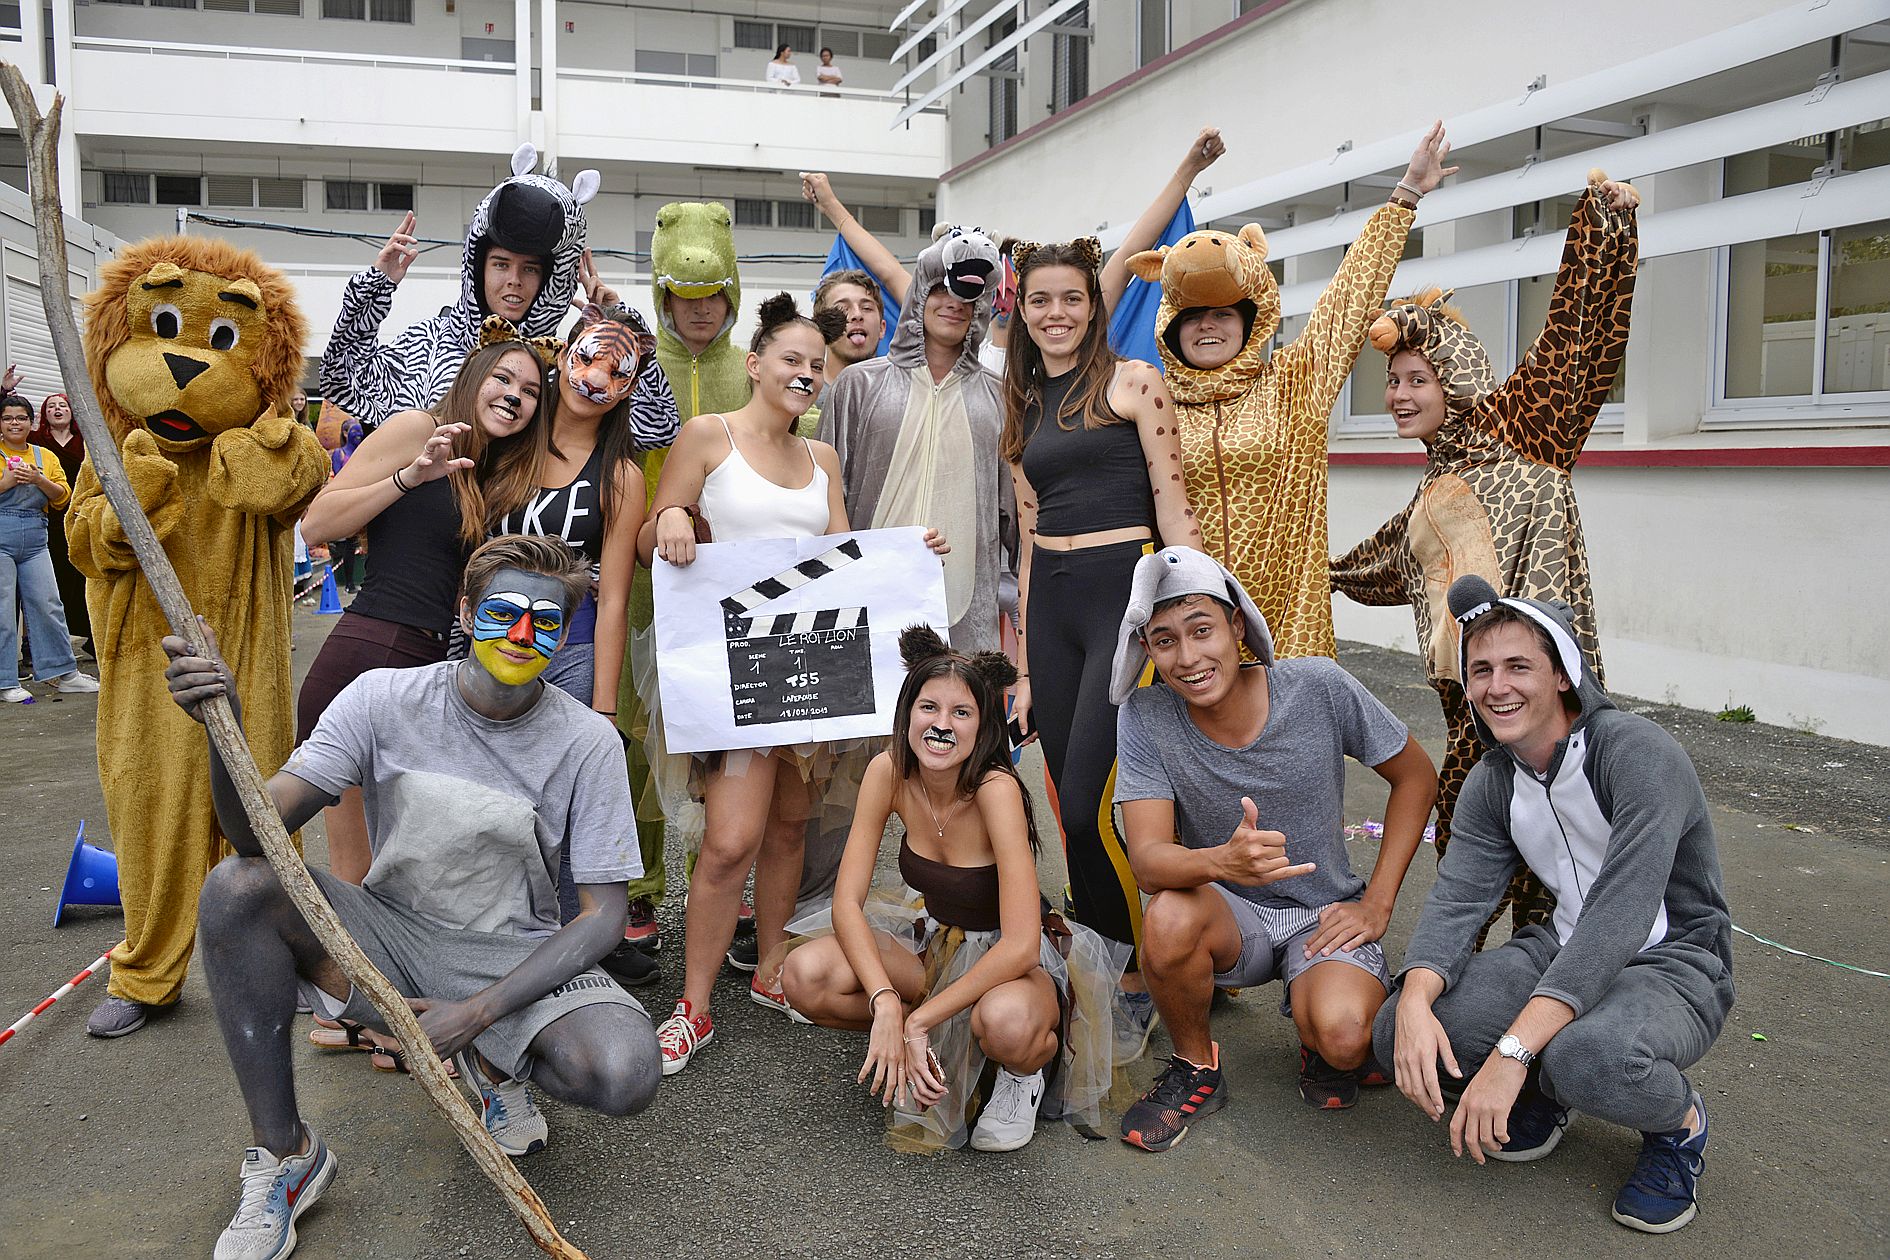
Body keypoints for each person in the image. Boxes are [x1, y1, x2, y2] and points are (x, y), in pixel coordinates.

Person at [167, 533, 659, 1260]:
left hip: (512, 954)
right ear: (465, 610)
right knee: (238, 890)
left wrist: (479, 1013)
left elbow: (605, 915)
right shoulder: (381, 698)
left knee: (626, 1071)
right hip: (392, 932)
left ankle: (494, 1064)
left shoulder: (586, 740)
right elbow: (254, 838)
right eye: (504, 612)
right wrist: (224, 728)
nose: (522, 635)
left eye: (546, 621)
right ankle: (286, 1155)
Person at [638, 294, 946, 1074]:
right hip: (731, 671)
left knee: (787, 828)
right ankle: (694, 1004)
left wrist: (911, 551)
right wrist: (671, 516)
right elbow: (650, 529)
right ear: (755, 363)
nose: (807, 373)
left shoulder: (825, 461)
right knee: (729, 840)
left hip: (810, 672)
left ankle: (772, 966)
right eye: (792, 360)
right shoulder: (709, 435)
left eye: (817, 364)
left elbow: (847, 557)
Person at [1377, 574, 1732, 1234]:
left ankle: (1678, 1124)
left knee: (1587, 1059)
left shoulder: (1635, 753)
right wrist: (1418, 1001)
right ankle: (1549, 1089)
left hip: (1673, 960)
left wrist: (1512, 1054)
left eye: (1519, 666)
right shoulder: (1494, 780)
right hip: (1560, 945)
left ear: (1563, 675)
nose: (1496, 686)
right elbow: (1458, 900)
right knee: (1398, 1029)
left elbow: (1619, 916)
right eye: (1480, 669)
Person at [1331, 172, 1640, 925]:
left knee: (1555, 855)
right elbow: (1380, 566)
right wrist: (1315, 575)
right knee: (1469, 847)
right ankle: (1455, 991)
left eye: (1415, 379)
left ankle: (1553, 986)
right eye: (1392, 382)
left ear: (1455, 379)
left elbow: (1578, 338)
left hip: (1545, 698)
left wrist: (1604, 227)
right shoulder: (1432, 489)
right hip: (1473, 706)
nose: (1398, 395)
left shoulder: (1523, 433)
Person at [1109, 547, 1436, 1149]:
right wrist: (1220, 862)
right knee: (1170, 913)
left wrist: (1379, 904)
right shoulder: (1146, 715)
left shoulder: (1316, 686)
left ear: (1237, 626)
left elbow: (1416, 777)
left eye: (1202, 630)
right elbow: (1149, 862)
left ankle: (1323, 1033)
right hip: (1232, 921)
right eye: (1164, 641)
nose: (1188, 658)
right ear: (1147, 652)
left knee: (1344, 1038)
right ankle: (1195, 1065)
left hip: (1324, 916)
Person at [782, 626, 1120, 1152]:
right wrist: (887, 1004)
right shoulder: (888, 770)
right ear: (907, 712)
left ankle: (1020, 1069)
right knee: (804, 976)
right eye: (929, 707)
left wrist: (919, 1017)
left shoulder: (996, 789)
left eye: (961, 713)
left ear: (983, 724)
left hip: (1012, 963)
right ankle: (924, 1041)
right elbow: (845, 903)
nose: (941, 725)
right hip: (933, 942)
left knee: (1005, 1023)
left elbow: (1020, 944)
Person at [1126, 122, 1454, 660]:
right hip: (1188, 641)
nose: (1208, 326)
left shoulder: (1293, 384)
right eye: (1194, 317)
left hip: (1288, 631)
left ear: (1249, 320)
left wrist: (1406, 195)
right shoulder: (1150, 402)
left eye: (1222, 315)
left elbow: (1346, 299)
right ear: (1171, 325)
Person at [1001, 236, 1203, 1063]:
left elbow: (1175, 505)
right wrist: (1018, 666)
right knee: (1062, 800)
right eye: (1041, 300)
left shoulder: (1135, 382)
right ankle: (1103, 954)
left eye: (1072, 299)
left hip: (1126, 601)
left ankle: (1137, 971)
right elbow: (1025, 536)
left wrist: (1195, 617)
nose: (1056, 314)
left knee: (1091, 804)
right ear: (1022, 308)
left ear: (1096, 305)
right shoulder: (1019, 406)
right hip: (1050, 607)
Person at [297, 326, 552, 891]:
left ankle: (391, 974)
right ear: (471, 381)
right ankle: (350, 977)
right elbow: (318, 523)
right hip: (370, 651)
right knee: (357, 868)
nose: (514, 395)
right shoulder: (419, 428)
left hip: (436, 668)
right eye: (502, 378)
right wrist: (410, 477)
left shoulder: (499, 471)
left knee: (409, 867)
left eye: (531, 390)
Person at [619, 201, 749, 956]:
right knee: (640, 743)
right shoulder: (634, 364)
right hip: (644, 583)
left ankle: (722, 887)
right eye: (684, 301)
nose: (699, 313)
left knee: (722, 741)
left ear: (731, 292)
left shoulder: (755, 367)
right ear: (663, 300)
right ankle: (640, 893)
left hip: (735, 588)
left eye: (711, 299)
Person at [0, 394, 98, 703]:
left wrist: (38, 480)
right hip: (2, 537)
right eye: (8, 418)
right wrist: (6, 481)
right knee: (3, 610)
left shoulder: (44, 456)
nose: (15, 423)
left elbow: (61, 497)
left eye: (21, 418)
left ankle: (63, 673)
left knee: (49, 604)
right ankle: (5, 681)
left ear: (31, 422)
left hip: (36, 540)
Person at [29, 391, 90, 655]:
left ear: (71, 411)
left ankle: (91, 637)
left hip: (80, 517)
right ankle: (37, 646)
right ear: (44, 415)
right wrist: (5, 392)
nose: (57, 410)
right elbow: (9, 423)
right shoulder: (35, 440)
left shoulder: (85, 440)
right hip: (46, 520)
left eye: (62, 405)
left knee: (83, 578)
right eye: (51, 406)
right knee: (48, 583)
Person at [811, 268, 886, 377]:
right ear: (822, 329)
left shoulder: (905, 390)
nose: (857, 315)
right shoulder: (806, 391)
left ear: (882, 328)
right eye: (842, 308)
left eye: (866, 308)